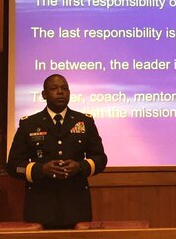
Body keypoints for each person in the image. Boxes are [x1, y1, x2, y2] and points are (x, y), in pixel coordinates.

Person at [6, 74, 107, 229]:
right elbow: (13, 165)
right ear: (44, 94)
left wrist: (80, 167)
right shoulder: (29, 124)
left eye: (64, 88)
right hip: (40, 207)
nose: (60, 92)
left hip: (76, 206)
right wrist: (40, 169)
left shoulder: (84, 122)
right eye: (54, 88)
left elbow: (100, 159)